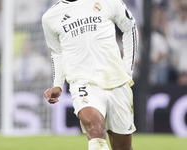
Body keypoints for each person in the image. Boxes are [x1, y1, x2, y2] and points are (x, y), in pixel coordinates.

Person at [42, 0, 138, 149]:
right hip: (83, 83)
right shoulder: (50, 17)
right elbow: (57, 53)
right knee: (95, 129)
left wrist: (127, 71)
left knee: (122, 147)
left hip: (117, 82)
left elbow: (130, 28)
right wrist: (58, 84)